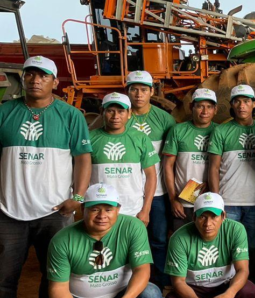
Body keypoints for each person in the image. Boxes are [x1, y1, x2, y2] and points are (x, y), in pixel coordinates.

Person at [0, 56, 93, 298]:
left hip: (55, 211)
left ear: (55, 81)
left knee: (54, 278)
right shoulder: (4, 112)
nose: (35, 80)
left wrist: (79, 197)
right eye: (30, 74)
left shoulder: (71, 115)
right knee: (3, 278)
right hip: (8, 212)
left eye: (43, 76)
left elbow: (83, 158)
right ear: (23, 78)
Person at [47, 183, 162, 298]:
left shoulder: (133, 226)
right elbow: (58, 288)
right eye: (95, 209)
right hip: (79, 296)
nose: (102, 216)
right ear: (83, 209)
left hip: (122, 292)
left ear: (117, 210)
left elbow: (141, 269)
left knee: (150, 293)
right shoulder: (62, 240)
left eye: (108, 210)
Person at [207, 84, 255, 279]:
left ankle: (249, 284)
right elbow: (213, 167)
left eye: (247, 101)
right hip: (228, 200)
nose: (242, 106)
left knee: (250, 245)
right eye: (237, 101)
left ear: (254, 104)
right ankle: (226, 282)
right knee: (226, 244)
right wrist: (217, 199)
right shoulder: (222, 131)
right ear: (231, 104)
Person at [126, 70, 177, 287]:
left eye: (143, 90)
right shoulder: (118, 115)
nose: (139, 94)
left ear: (151, 91)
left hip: (157, 192)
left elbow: (173, 156)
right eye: (134, 89)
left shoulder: (164, 119)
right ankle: (131, 282)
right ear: (127, 91)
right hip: (127, 192)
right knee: (129, 241)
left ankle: (162, 282)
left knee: (158, 239)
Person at [165, 192, 255, 298]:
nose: (208, 224)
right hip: (193, 287)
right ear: (194, 217)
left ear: (223, 216)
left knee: (249, 290)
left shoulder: (236, 230)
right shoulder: (179, 238)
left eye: (214, 216)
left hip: (226, 284)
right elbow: (178, 282)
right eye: (202, 217)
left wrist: (229, 293)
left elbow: (242, 269)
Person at [89, 92, 159, 221]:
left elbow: (151, 176)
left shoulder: (140, 138)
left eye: (121, 111)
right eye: (110, 111)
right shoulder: (90, 138)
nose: (116, 116)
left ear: (129, 113)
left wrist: (146, 210)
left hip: (133, 211)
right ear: (102, 112)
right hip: (99, 213)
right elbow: (79, 174)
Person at [163, 88, 219, 228]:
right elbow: (168, 166)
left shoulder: (220, 132)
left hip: (211, 201)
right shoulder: (178, 130)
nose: (205, 111)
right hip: (184, 203)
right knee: (181, 242)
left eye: (209, 107)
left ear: (215, 109)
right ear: (191, 107)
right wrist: (173, 199)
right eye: (200, 106)